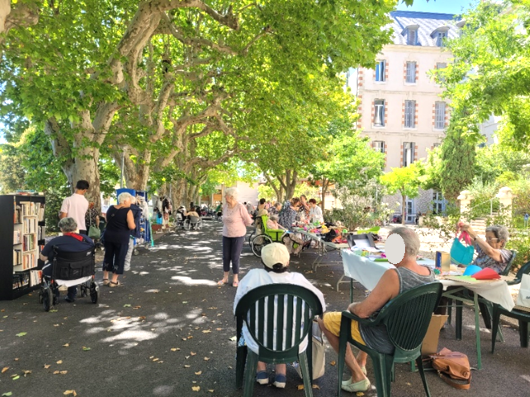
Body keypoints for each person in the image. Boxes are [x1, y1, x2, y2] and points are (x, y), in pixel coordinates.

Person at [318, 227, 434, 393]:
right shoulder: (430, 274)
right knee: (373, 313)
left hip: (385, 339)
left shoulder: (394, 276)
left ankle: (358, 375)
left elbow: (363, 312)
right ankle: (361, 362)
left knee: (326, 320)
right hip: (412, 340)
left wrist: (352, 306)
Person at [234, 243, 326, 389]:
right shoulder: (298, 279)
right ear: (288, 262)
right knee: (286, 326)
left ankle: (261, 371)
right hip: (294, 343)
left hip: (258, 343)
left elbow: (238, 310)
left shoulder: (253, 277)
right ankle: (281, 373)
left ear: (263, 261)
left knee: (253, 326)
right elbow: (320, 306)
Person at [39, 217, 94, 303]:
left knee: (47, 270)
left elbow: (43, 257)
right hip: (82, 271)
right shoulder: (87, 240)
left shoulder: (55, 241)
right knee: (74, 267)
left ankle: (55, 295)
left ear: (61, 228)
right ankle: (71, 295)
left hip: (60, 272)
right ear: (76, 227)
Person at [219, 187, 253, 287]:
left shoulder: (240, 207)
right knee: (226, 256)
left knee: (235, 257)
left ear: (231, 196)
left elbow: (248, 221)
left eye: (226, 195)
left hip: (238, 235)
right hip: (226, 234)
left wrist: (239, 227)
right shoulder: (225, 206)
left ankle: (235, 278)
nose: (225, 197)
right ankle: (225, 278)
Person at [102, 192, 136, 287]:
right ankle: (113, 281)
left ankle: (105, 278)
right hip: (121, 237)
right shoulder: (127, 211)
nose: (130, 203)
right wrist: (134, 225)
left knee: (108, 256)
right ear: (125, 201)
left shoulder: (111, 208)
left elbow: (107, 220)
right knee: (119, 257)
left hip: (108, 236)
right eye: (129, 201)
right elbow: (131, 226)